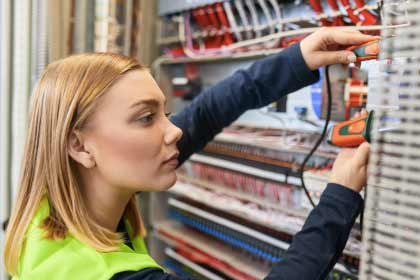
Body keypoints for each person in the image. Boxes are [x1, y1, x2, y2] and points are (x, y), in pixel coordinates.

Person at [3, 28, 375, 280]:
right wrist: (339, 197)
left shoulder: (50, 213)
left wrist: (296, 60)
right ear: (80, 146)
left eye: (163, 112)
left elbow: (203, 116)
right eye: (146, 118)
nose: (174, 129)